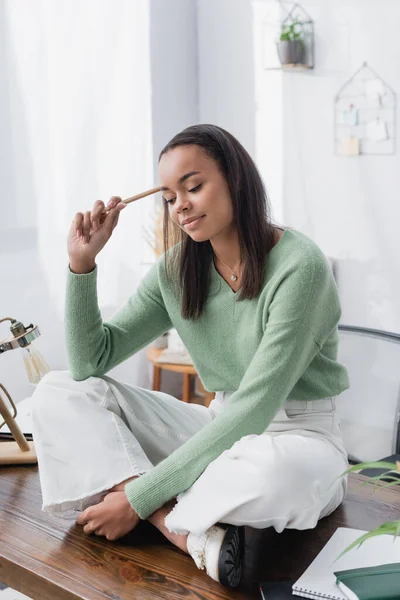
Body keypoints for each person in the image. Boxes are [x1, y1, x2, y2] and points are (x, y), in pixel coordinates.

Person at [32, 124, 350, 589]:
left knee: (275, 476)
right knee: (57, 389)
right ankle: (176, 528)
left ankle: (139, 496)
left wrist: (135, 498)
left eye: (193, 186)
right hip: (216, 428)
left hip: (297, 436)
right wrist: (82, 265)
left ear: (235, 181)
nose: (179, 204)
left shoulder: (301, 266)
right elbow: (88, 364)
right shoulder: (176, 270)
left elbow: (255, 409)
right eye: (168, 196)